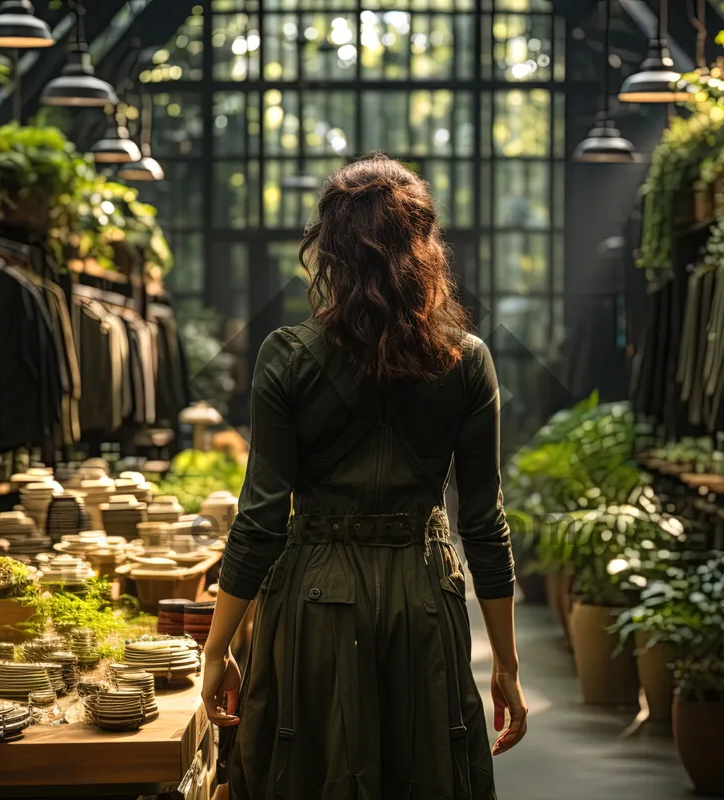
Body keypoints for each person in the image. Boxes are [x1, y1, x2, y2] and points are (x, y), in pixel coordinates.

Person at [201, 153, 528, 799]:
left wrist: (216, 648)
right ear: (426, 247)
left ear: (330, 250)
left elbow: (261, 518)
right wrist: (507, 665)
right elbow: (483, 522)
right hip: (423, 596)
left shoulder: (285, 356)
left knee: (313, 771)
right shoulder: (468, 362)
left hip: (314, 601)